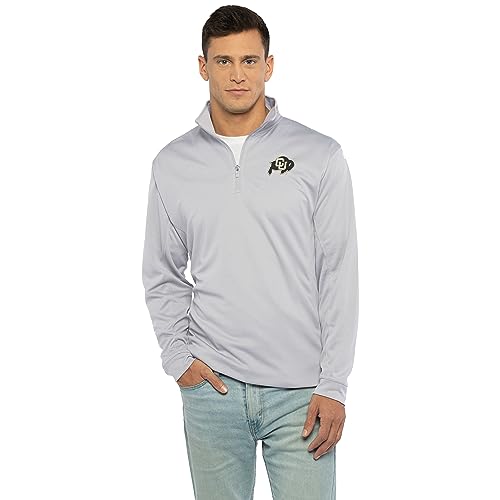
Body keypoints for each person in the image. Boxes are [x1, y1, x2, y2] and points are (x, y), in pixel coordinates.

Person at [141, 5, 359, 499]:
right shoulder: (172, 163)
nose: (237, 74)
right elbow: (162, 271)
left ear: (269, 65)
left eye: (249, 60)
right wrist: (178, 358)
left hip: (301, 393)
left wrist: (334, 384)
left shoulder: (319, 155)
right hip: (211, 388)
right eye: (223, 61)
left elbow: (338, 273)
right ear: (203, 67)